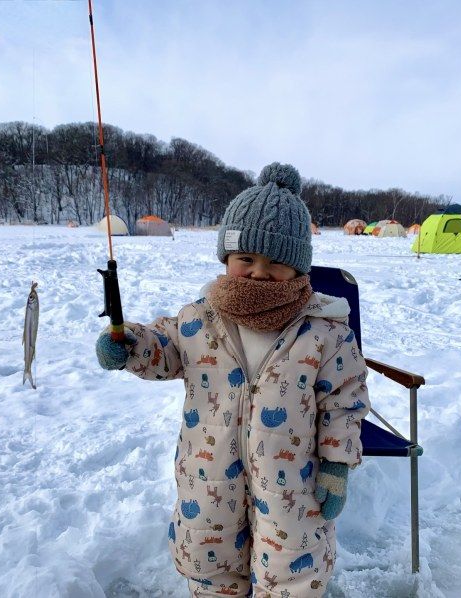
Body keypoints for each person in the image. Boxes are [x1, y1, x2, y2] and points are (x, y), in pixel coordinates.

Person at [96, 162, 370, 597]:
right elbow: (163, 350)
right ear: (227, 258)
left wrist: (336, 466)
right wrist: (130, 345)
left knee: (291, 581)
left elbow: (344, 402)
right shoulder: (198, 319)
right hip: (209, 482)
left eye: (276, 261)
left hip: (291, 489)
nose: (259, 271)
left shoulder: (324, 332)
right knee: (212, 571)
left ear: (299, 267)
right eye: (246, 259)